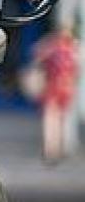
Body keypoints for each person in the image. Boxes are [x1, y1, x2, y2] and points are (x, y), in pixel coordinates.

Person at [33, 23, 79, 163]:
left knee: (51, 120)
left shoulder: (51, 47)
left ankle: (51, 149)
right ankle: (57, 148)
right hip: (65, 88)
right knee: (60, 120)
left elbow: (37, 54)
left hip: (54, 88)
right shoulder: (74, 49)